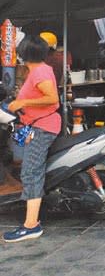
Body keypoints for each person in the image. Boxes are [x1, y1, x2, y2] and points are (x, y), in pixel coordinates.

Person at [3, 36, 61, 243]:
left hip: (43, 127)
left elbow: (53, 98)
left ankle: (31, 225)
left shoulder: (40, 71)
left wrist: (23, 101)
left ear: (24, 53)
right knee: (31, 170)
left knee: (30, 172)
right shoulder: (37, 70)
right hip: (37, 124)